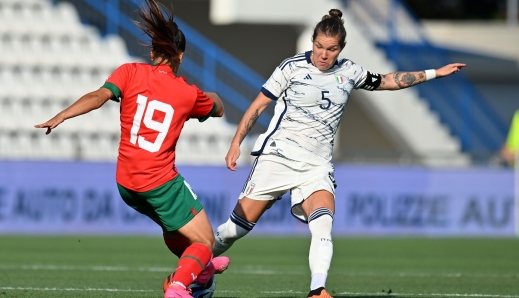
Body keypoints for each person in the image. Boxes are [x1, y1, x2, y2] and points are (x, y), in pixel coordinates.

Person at [212, 9, 466, 298]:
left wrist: (435, 73)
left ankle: (317, 290)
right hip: (278, 157)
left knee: (323, 224)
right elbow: (258, 106)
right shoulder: (290, 68)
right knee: (235, 229)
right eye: (319, 46)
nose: (323, 54)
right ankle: (195, 266)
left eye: (331, 49)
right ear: (312, 43)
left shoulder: (350, 72)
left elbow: (389, 80)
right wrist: (236, 143)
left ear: (340, 49)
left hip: (317, 166)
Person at [34, 1, 229, 297]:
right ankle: (179, 285)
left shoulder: (129, 72)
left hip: (126, 183)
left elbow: (98, 96)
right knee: (205, 242)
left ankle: (201, 271)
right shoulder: (188, 94)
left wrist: (63, 114)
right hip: (159, 182)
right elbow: (219, 108)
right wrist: (207, 95)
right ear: (181, 56)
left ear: (152, 53)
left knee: (174, 228)